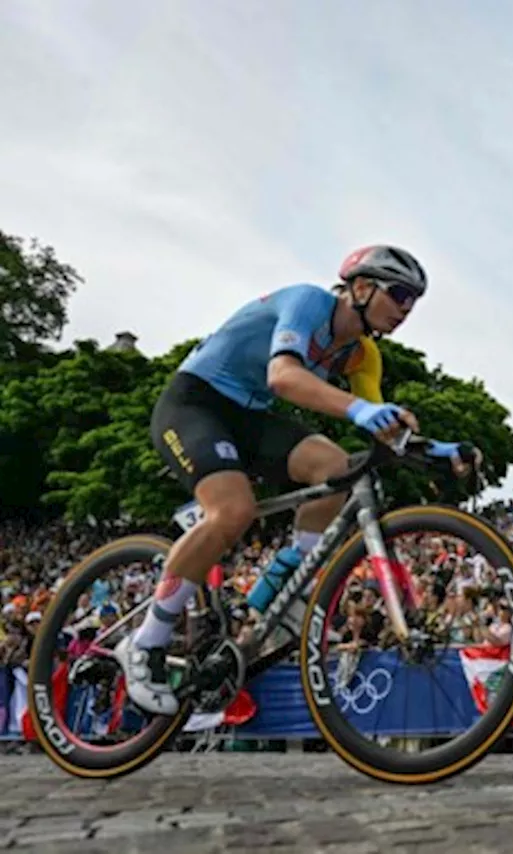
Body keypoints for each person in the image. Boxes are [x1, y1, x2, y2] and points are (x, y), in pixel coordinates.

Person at [116, 245, 479, 715]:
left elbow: (383, 431)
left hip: (251, 419)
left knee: (338, 468)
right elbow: (283, 377)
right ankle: (146, 642)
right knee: (234, 510)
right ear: (362, 287)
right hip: (196, 404)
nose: (407, 310)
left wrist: (442, 450)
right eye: (401, 294)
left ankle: (291, 587)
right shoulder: (310, 303)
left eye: (415, 301)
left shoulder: (363, 355)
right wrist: (361, 409)